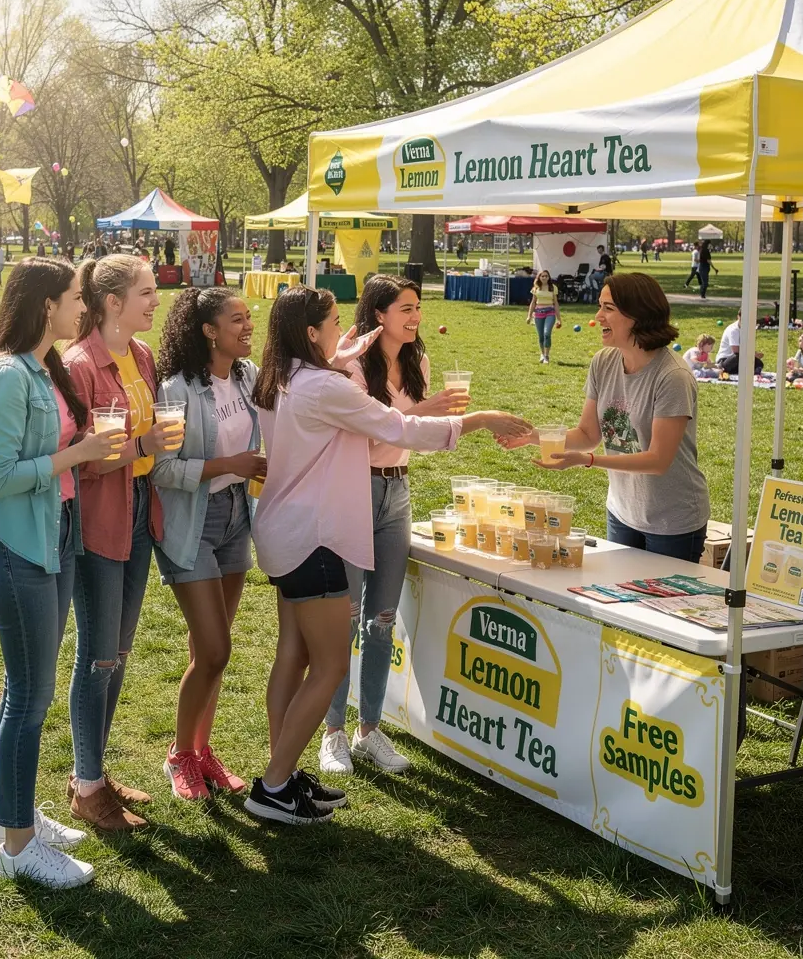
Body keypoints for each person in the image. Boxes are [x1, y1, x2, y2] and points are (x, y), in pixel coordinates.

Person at [246, 286, 532, 824]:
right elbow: (398, 427)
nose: (342, 329)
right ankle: (273, 786)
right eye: (333, 321)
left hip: (284, 532)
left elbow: (328, 393)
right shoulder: (324, 387)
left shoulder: (280, 377)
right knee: (329, 666)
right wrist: (481, 418)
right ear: (311, 333)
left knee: (293, 655)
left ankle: (280, 772)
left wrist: (337, 361)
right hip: (317, 536)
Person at [0, 257, 126, 889]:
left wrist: (81, 456)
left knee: (26, 689)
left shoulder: (42, 368)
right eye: (74, 298)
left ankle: (20, 813)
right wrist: (76, 454)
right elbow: (0, 479)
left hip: (53, 538)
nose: (82, 307)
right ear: (43, 306)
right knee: (30, 699)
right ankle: (18, 846)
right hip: (14, 547)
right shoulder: (4, 377)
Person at [318, 275, 472, 778]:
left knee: (382, 618)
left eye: (418, 307)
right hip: (354, 489)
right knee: (345, 615)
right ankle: (333, 732)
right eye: (405, 308)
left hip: (397, 490)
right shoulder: (352, 370)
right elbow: (369, 436)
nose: (414, 317)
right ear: (378, 314)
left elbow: (413, 440)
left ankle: (370, 731)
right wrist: (422, 414)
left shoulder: (418, 363)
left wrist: (421, 422)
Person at [62, 254, 180, 831]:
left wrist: (152, 447)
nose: (156, 299)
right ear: (112, 303)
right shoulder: (79, 365)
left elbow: (145, 439)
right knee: (98, 654)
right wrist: (144, 444)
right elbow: (79, 465)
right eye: (147, 292)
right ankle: (87, 787)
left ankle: (94, 772)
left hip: (138, 513)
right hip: (97, 518)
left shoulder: (141, 356)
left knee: (121, 652)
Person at [503, 272, 710, 563]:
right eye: (600, 306)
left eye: (608, 308)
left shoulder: (673, 377)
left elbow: (658, 460)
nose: (598, 316)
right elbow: (588, 435)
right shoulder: (604, 362)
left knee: (658, 609)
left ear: (639, 315)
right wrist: (532, 437)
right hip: (622, 512)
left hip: (673, 522)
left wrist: (589, 461)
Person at [152, 288, 264, 801]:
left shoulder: (247, 376)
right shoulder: (177, 389)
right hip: (193, 522)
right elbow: (164, 469)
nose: (247, 327)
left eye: (249, 318)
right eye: (236, 320)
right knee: (216, 651)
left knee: (208, 652)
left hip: (236, 518)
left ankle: (202, 752)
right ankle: (179, 754)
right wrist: (228, 466)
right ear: (208, 331)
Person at [526, 269, 562, 364]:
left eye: (546, 276)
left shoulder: (553, 288)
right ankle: (542, 354)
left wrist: (559, 319)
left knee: (547, 334)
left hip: (550, 312)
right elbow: (533, 303)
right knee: (541, 336)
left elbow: (556, 303)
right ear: (539, 277)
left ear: (549, 277)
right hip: (538, 313)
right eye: (542, 276)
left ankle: (546, 356)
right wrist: (529, 316)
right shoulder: (536, 288)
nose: (544, 277)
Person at [716, 310, 764, 375]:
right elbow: (736, 351)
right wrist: (751, 355)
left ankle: (747, 370)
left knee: (759, 364)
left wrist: (755, 354)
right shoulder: (733, 330)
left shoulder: (748, 329)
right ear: (738, 317)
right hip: (725, 359)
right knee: (737, 356)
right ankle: (724, 370)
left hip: (741, 357)